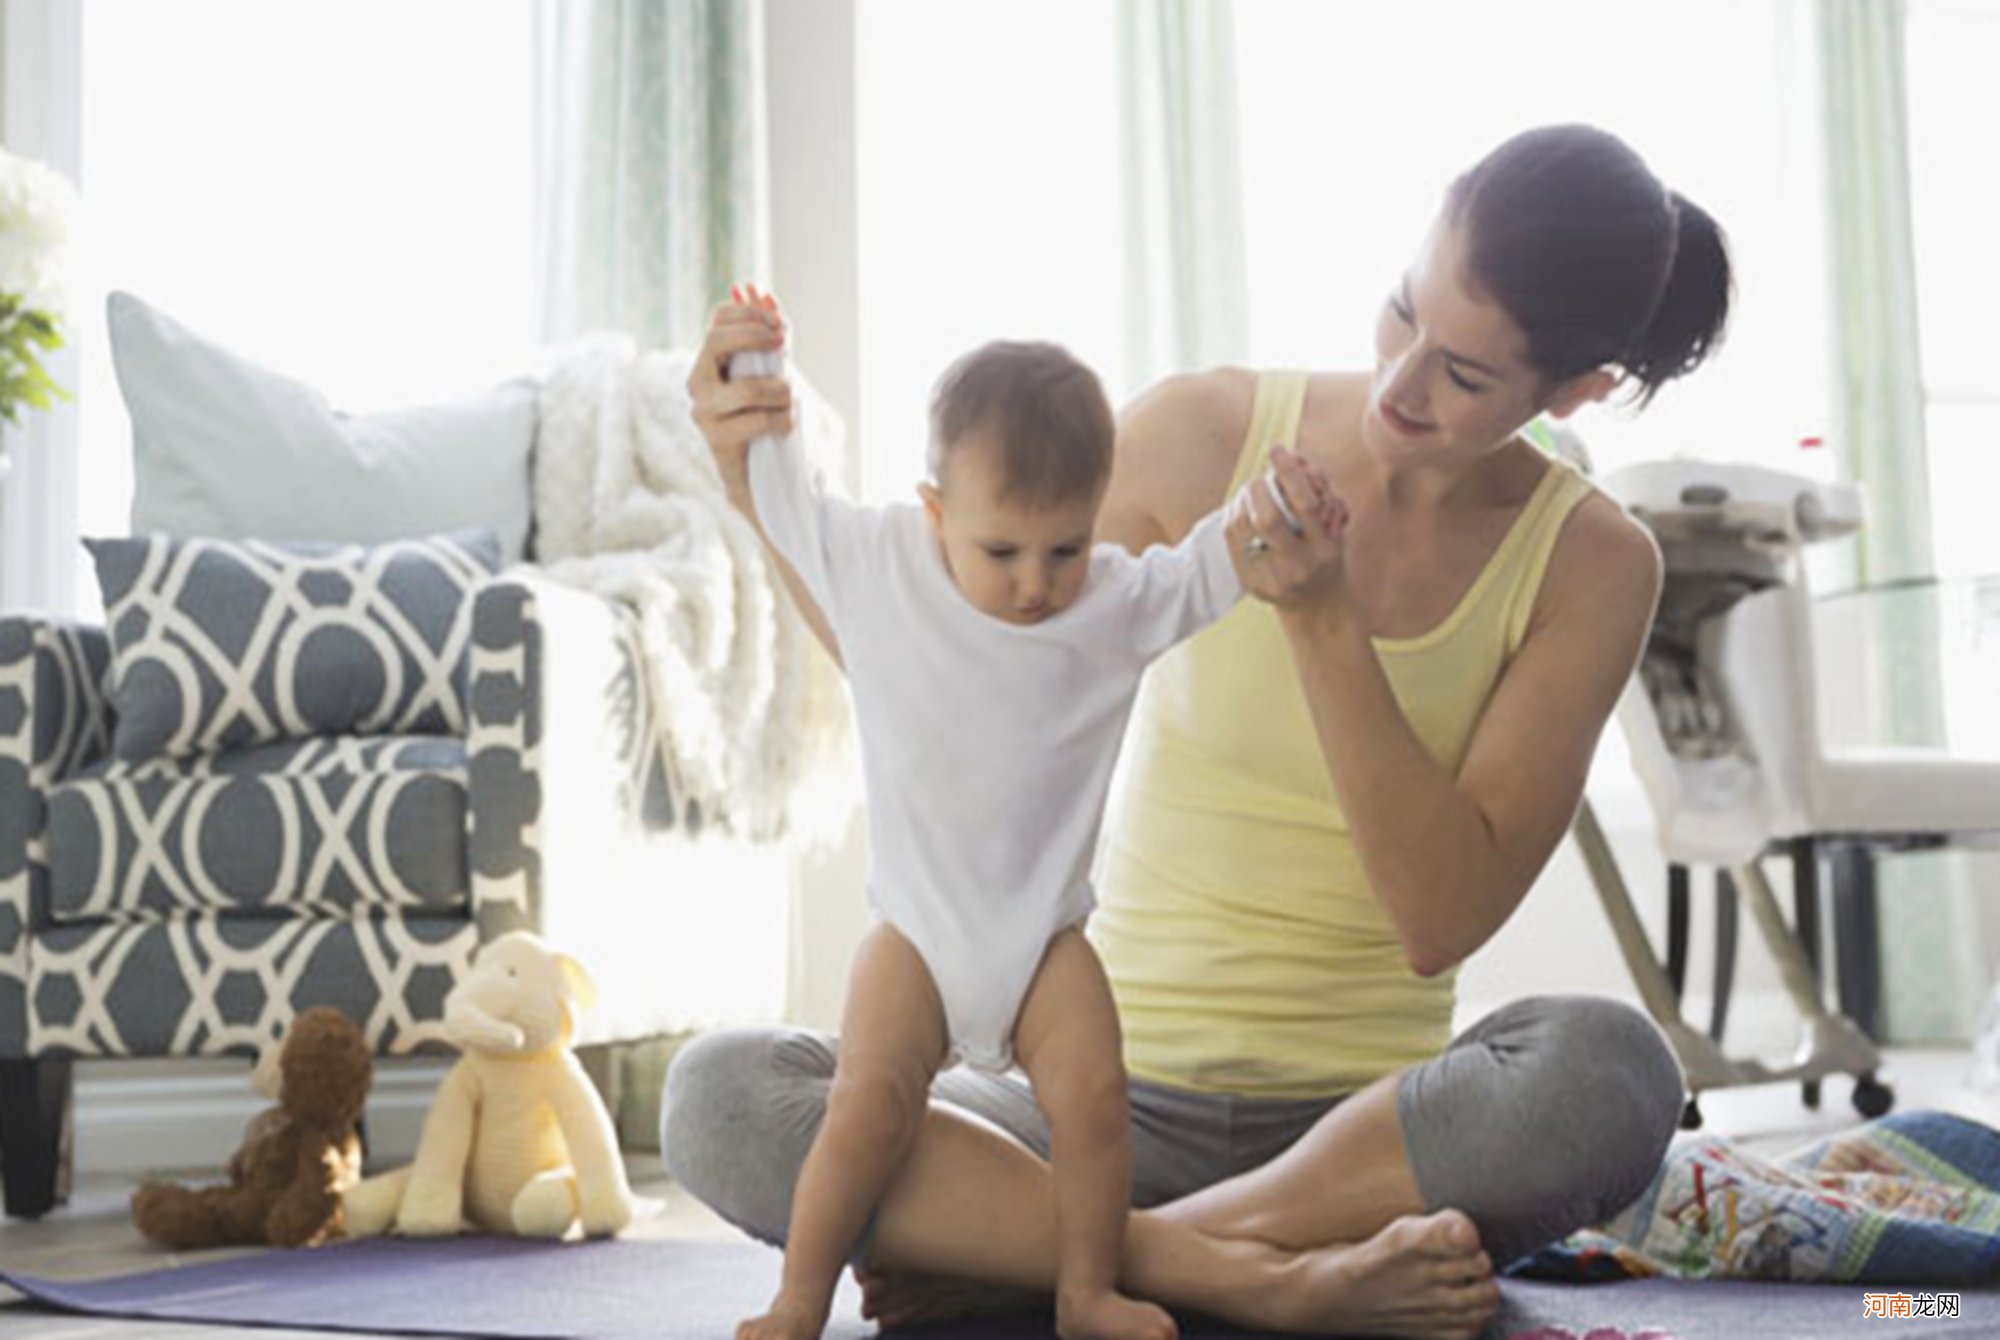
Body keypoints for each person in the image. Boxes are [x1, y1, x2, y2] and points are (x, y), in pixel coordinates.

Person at [672, 123, 1729, 1340]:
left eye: (1462, 376)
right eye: (1399, 313)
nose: (1398, 384)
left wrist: (1319, 615)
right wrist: (755, 481)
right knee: (725, 1097)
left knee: (1608, 1071)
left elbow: (1435, 918)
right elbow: (949, 676)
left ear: (1576, 389)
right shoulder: (1201, 429)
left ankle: (1062, 1248)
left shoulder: (1592, 564)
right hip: (1090, 1098)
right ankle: (1244, 1272)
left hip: (1365, 1134)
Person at [708, 300, 1342, 1340]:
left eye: (1064, 546)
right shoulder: (877, 565)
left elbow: (1207, 566)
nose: (1036, 583)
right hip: (914, 932)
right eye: (1000, 548)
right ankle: (797, 1298)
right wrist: (757, 359)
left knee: (1094, 1101)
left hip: (1045, 940)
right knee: (862, 1107)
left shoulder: (1112, 599)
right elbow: (784, 494)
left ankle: (1085, 1289)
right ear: (931, 507)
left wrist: (1271, 507)